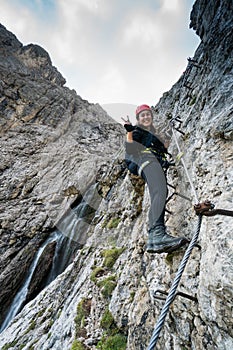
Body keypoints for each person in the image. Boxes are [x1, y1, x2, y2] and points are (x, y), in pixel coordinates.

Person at [123, 104, 188, 254]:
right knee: (160, 192)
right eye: (142, 115)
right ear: (138, 119)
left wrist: (170, 135)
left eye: (148, 114)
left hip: (151, 163)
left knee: (157, 194)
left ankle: (153, 239)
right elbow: (130, 148)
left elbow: (162, 147)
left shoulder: (151, 134)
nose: (146, 117)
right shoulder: (137, 131)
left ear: (151, 117)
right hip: (147, 162)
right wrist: (129, 131)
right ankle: (158, 234)